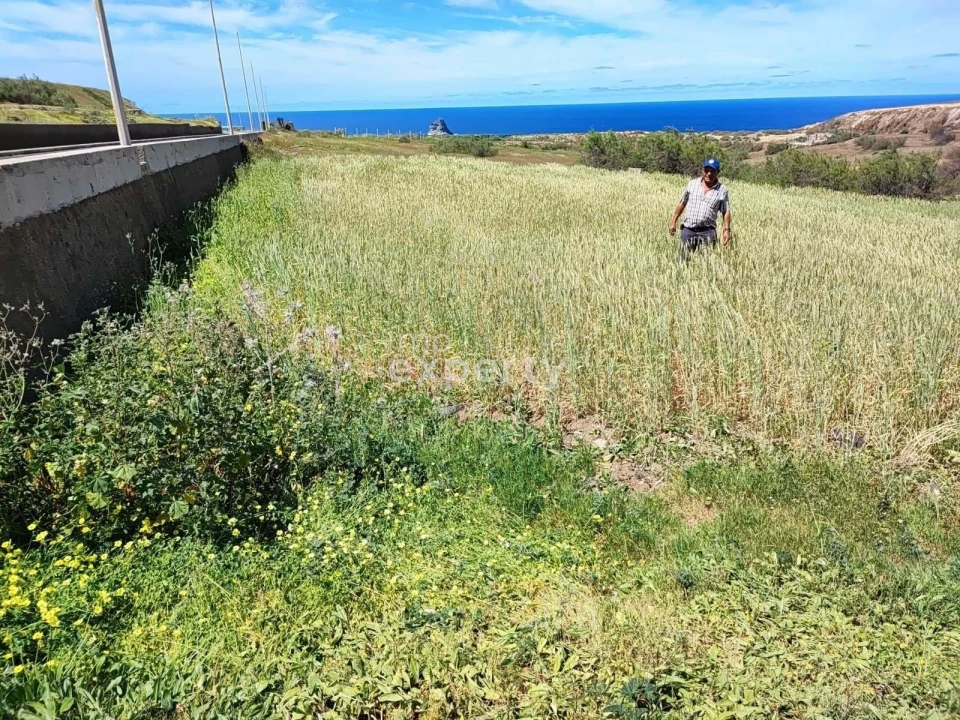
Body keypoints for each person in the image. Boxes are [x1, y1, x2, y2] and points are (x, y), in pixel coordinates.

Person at [668, 158, 732, 258]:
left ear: (718, 172)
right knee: (682, 261)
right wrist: (673, 221)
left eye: (712, 171)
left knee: (706, 264)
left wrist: (726, 230)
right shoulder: (692, 184)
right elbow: (682, 203)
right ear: (702, 171)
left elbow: (725, 211)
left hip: (708, 232)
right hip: (688, 230)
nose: (709, 174)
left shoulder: (722, 190)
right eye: (706, 170)